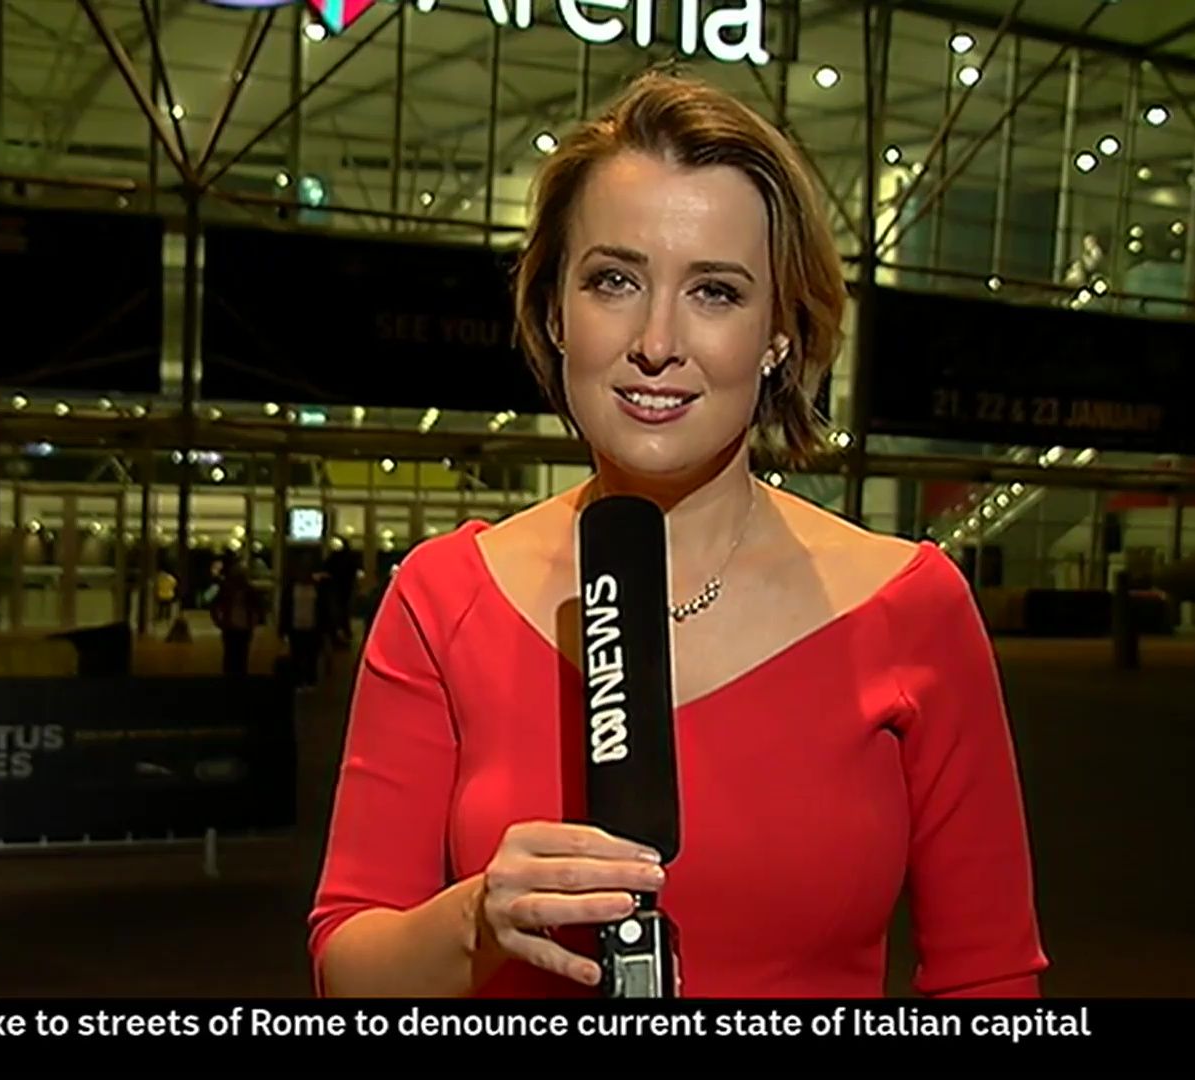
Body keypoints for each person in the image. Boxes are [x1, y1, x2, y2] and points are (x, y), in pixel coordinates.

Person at [308, 71, 1048, 999]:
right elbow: (348, 966)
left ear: (780, 334)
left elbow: (988, 977)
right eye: (614, 281)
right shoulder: (444, 597)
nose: (656, 341)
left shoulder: (912, 608)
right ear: (555, 310)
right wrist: (476, 923)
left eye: (716, 292)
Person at [208, 562, 265, 677]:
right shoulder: (228, 589)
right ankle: (232, 678)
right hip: (231, 626)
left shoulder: (248, 590)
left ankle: (237, 678)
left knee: (240, 655)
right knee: (232, 655)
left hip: (243, 627)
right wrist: (218, 621)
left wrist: (254, 621)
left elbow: (258, 608)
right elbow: (214, 605)